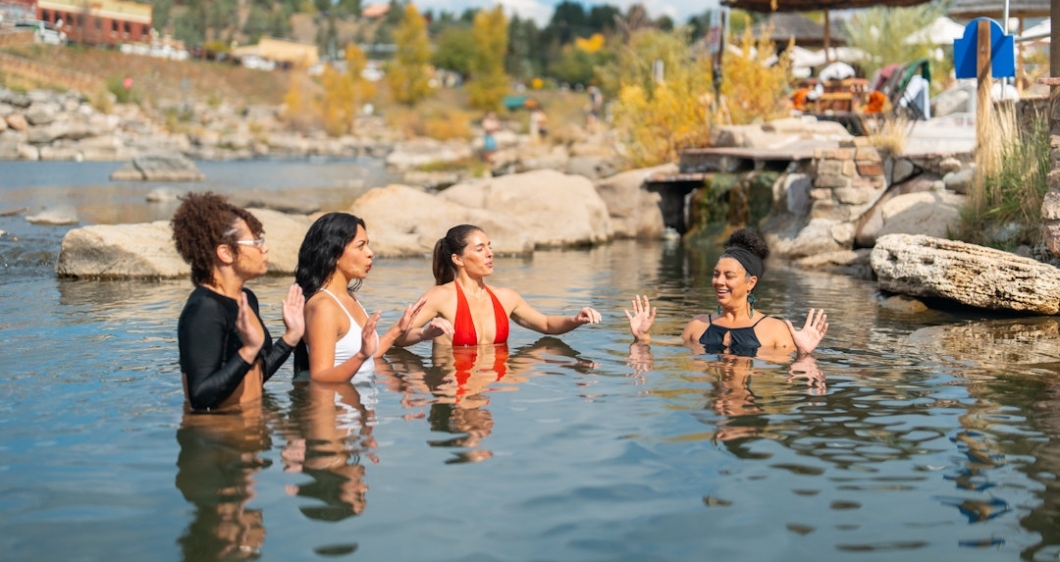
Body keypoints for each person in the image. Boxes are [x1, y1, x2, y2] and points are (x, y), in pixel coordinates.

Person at [172, 192, 305, 413]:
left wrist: (290, 337)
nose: (265, 248)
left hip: (250, 432)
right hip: (218, 437)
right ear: (225, 252)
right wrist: (248, 350)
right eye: (256, 242)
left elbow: (255, 375)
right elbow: (200, 397)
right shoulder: (205, 309)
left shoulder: (247, 299)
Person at [294, 212, 452, 384]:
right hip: (339, 409)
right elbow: (320, 377)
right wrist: (361, 356)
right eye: (360, 246)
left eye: (368, 245)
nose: (370, 253)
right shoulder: (323, 306)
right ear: (334, 254)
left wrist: (401, 330)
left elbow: (370, 354)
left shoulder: (348, 296)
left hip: (358, 407)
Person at [625, 228, 828, 357]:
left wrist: (804, 354)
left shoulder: (776, 330)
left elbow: (795, 380)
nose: (719, 282)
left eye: (728, 276)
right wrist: (642, 337)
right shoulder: (697, 325)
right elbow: (665, 348)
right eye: (716, 274)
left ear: (751, 283)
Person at [399, 224, 601, 348]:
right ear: (458, 259)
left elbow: (546, 324)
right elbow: (397, 338)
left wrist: (576, 320)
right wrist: (424, 334)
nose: (490, 253)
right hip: (449, 387)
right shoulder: (440, 297)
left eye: (490, 246)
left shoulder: (506, 297)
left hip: (493, 386)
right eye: (480, 249)